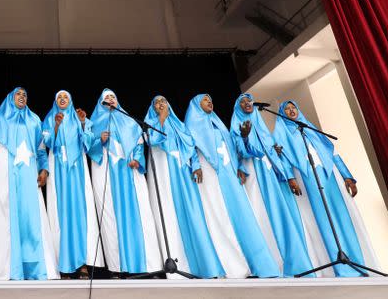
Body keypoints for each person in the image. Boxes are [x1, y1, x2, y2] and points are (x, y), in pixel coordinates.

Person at [273, 100, 379, 277]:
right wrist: (291, 178)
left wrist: (347, 176)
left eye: (294, 108)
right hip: (307, 177)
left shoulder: (309, 128)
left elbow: (333, 152)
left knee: (342, 216)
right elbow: (282, 157)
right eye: (287, 109)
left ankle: (356, 263)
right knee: (324, 219)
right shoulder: (282, 133)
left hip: (329, 174)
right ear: (283, 114)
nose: (292, 111)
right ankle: (340, 268)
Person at [184, 93, 279, 278]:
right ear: (196, 105)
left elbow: (233, 148)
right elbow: (191, 148)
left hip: (229, 174)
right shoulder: (192, 124)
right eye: (205, 99)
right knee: (220, 215)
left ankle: (253, 264)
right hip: (210, 173)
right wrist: (195, 165)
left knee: (241, 215)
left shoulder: (219, 123)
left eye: (211, 99)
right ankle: (231, 266)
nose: (209, 101)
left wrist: (240, 166)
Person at [0, 87, 58, 280]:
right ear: (10, 98)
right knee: (8, 216)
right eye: (18, 94)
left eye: (25, 95)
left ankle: (36, 268)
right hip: (6, 169)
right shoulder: (0, 120)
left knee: (32, 217)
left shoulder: (34, 120)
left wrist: (44, 169)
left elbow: (41, 148)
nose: (22, 97)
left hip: (29, 172)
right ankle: (10, 270)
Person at [230, 93, 315, 277]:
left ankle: (291, 264)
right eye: (242, 102)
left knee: (280, 216)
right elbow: (240, 152)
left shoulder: (261, 125)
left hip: (271, 175)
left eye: (249, 100)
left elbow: (271, 151)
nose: (247, 103)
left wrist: (285, 173)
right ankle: (269, 265)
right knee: (262, 215)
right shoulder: (237, 126)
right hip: (255, 174)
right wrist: (244, 138)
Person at [143, 95, 224, 278]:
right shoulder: (150, 122)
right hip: (164, 171)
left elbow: (190, 146)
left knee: (191, 213)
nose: (161, 104)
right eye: (157, 102)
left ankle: (203, 265)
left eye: (164, 101)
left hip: (182, 172)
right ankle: (173, 264)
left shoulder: (179, 125)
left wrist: (195, 166)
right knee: (168, 213)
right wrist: (161, 118)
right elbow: (153, 140)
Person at [87, 89, 161, 277]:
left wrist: (137, 159)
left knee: (139, 214)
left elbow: (138, 143)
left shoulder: (129, 121)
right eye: (106, 98)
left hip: (129, 170)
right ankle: (118, 267)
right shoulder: (93, 123)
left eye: (113, 97)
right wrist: (99, 140)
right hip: (106, 172)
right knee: (111, 216)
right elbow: (88, 146)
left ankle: (146, 264)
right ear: (101, 103)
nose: (110, 100)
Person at [41, 90, 103, 278]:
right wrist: (57, 126)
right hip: (58, 168)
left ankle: (82, 263)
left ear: (70, 100)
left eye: (65, 97)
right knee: (60, 215)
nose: (62, 100)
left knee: (79, 214)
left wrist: (83, 123)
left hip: (77, 170)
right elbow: (47, 142)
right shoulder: (50, 118)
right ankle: (63, 264)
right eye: (59, 97)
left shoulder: (79, 119)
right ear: (55, 101)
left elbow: (88, 143)